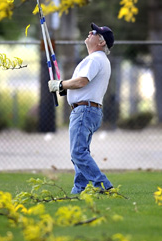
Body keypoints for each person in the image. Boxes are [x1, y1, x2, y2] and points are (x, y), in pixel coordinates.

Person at [48, 22, 115, 194]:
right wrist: (63, 88)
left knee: (78, 153)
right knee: (81, 153)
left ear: (101, 43)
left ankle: (103, 186)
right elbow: (84, 85)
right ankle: (79, 190)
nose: (89, 32)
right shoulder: (99, 60)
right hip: (89, 110)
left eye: (94, 32)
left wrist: (60, 84)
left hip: (84, 111)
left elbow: (81, 82)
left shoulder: (95, 59)